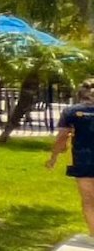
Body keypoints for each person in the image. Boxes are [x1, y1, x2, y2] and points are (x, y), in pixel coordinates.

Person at [48, 78, 94, 235]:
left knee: (88, 200)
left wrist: (53, 157)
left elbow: (62, 138)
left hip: (84, 159)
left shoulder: (70, 112)